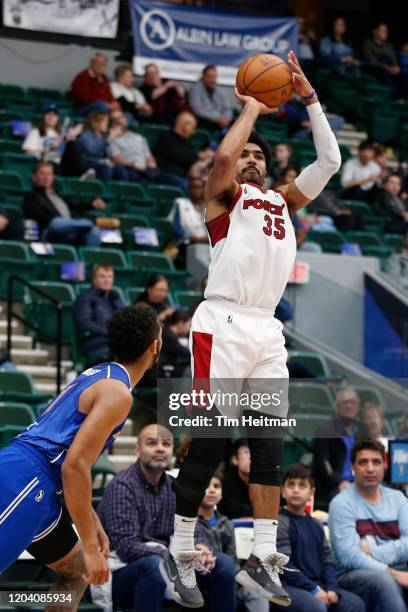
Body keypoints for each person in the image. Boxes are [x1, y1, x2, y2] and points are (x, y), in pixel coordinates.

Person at [160, 50, 342, 608]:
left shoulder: (285, 203)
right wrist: (253, 110)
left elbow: (330, 159)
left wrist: (308, 99)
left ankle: (261, 560)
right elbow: (221, 157)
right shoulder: (224, 201)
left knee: (268, 447)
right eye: (249, 156)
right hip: (222, 321)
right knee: (211, 442)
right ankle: (180, 547)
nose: (253, 159)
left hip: (266, 331)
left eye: (261, 156)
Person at [0, 305, 162, 602]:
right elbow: (74, 465)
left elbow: (69, 455)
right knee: (86, 559)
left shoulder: (102, 374)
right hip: (26, 478)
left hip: (44, 487)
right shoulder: (118, 392)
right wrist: (89, 543)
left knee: (77, 572)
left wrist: (88, 516)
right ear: (155, 345)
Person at [98, 424, 236, 612]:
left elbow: (194, 531)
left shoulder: (175, 487)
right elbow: (126, 547)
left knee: (223, 565)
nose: (160, 448)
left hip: (170, 564)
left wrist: (201, 547)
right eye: (152, 443)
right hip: (122, 572)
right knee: (156, 567)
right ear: (137, 449)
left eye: (166, 443)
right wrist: (172, 556)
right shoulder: (122, 486)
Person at [329, 439, 408, 612]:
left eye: (376, 462)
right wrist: (393, 573)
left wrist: (372, 551)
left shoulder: (399, 499)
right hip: (354, 575)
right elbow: (350, 557)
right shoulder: (341, 503)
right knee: (385, 580)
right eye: (363, 462)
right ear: (353, 467)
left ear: (384, 466)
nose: (370, 468)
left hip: (399, 568)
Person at [274, 463, 366, 612]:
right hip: (286, 586)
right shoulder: (279, 521)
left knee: (355, 604)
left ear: (311, 492)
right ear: (283, 492)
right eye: (291, 485)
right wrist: (314, 589)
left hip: (318, 584)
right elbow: (284, 565)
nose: (296, 490)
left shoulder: (317, 524)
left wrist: (332, 588)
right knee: (317, 607)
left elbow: (327, 561)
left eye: (302, 485)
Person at [198, 471, 270, 612]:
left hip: (229, 579)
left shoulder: (227, 523)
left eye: (217, 486)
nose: (212, 490)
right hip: (201, 580)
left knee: (258, 592)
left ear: (222, 493)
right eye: (206, 486)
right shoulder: (190, 523)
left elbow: (233, 559)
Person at [22, 162, 104, 246]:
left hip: (68, 229)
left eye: (49, 174)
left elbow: (75, 207)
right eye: (42, 174)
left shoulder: (58, 194)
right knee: (56, 222)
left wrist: (91, 205)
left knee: (95, 232)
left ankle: (86, 257)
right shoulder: (31, 197)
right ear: (34, 177)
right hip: (49, 232)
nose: (46, 177)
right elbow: (39, 219)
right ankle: (88, 223)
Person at [313, 386, 369, 506]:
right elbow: (322, 465)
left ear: (358, 407)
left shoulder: (363, 429)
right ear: (336, 407)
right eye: (345, 402)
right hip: (333, 486)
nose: (349, 406)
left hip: (361, 482)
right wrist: (340, 481)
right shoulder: (324, 431)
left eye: (353, 402)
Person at [73, 265, 124, 363]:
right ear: (94, 279)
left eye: (109, 277)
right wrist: (109, 332)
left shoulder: (115, 297)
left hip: (113, 340)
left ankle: (159, 378)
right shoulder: (85, 298)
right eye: (102, 276)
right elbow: (84, 322)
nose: (106, 280)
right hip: (94, 342)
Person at [153, 112, 213, 189]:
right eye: (193, 128)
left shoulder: (185, 142)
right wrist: (199, 155)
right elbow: (178, 155)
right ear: (185, 125)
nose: (193, 132)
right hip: (165, 175)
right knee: (191, 186)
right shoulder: (166, 137)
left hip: (182, 177)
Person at [76, 111, 127, 183]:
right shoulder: (86, 135)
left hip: (99, 163)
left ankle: (120, 192)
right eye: (105, 121)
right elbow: (92, 150)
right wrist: (108, 140)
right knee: (106, 168)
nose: (107, 124)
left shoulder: (103, 137)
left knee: (120, 170)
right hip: (87, 163)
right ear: (96, 122)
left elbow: (107, 155)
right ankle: (100, 193)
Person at [189, 65, 233, 131]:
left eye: (214, 77)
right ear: (203, 76)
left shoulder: (220, 90)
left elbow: (227, 108)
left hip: (224, 122)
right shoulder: (195, 89)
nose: (212, 80)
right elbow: (197, 110)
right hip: (206, 123)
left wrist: (226, 118)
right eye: (210, 77)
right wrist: (217, 118)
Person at [218, 439, 252, 520]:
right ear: (235, 460)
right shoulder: (226, 483)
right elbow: (230, 509)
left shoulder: (265, 480)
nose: (252, 456)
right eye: (247, 452)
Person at [362, 23, 402, 93]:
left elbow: (394, 60)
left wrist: (396, 67)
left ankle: (401, 99)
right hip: (375, 72)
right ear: (375, 31)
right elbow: (372, 62)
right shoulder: (367, 44)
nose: (385, 32)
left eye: (386, 30)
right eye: (383, 30)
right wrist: (387, 68)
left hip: (390, 73)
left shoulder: (388, 46)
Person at [168, 177, 208, 243]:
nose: (196, 190)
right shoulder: (180, 203)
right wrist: (190, 238)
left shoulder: (208, 207)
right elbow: (176, 227)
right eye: (193, 187)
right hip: (185, 244)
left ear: (203, 189)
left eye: (199, 187)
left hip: (206, 245)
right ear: (189, 189)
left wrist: (202, 239)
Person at [159, 309, 191, 378]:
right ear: (180, 323)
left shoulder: (168, 334)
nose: (189, 329)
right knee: (190, 370)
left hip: (168, 367)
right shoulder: (168, 336)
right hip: (161, 370)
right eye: (189, 325)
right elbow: (186, 353)